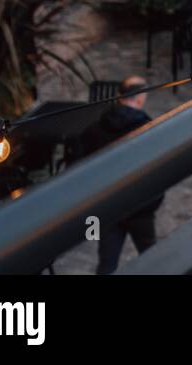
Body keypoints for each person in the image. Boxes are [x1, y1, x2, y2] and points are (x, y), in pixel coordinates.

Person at [76, 76, 164, 274]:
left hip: (109, 205)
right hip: (140, 207)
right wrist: (153, 202)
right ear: (140, 98)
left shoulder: (95, 129)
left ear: (119, 96)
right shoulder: (150, 131)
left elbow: (81, 169)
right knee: (154, 260)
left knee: (107, 263)